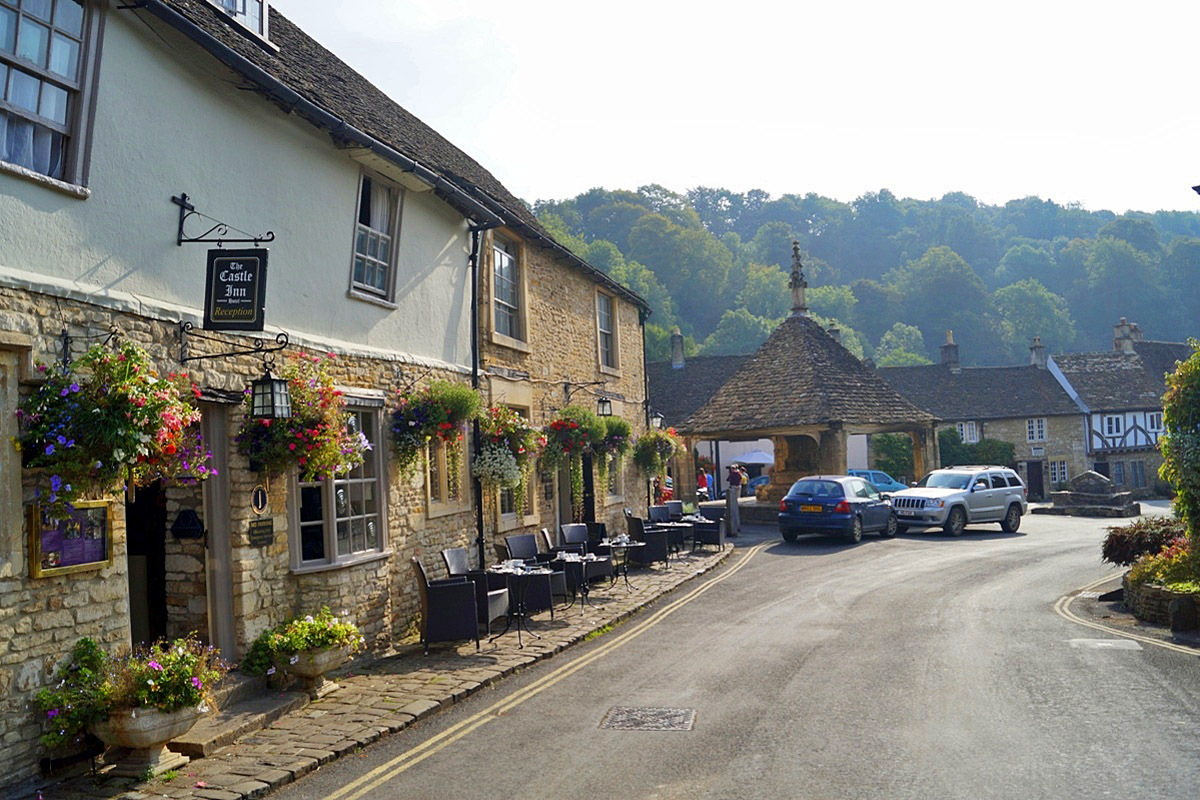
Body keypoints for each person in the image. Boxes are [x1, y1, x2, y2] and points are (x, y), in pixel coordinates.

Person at [725, 464, 743, 536]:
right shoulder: (738, 473)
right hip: (738, 486)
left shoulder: (732, 473)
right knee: (737, 497)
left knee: (732, 498)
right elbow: (741, 478)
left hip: (733, 486)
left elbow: (727, 479)